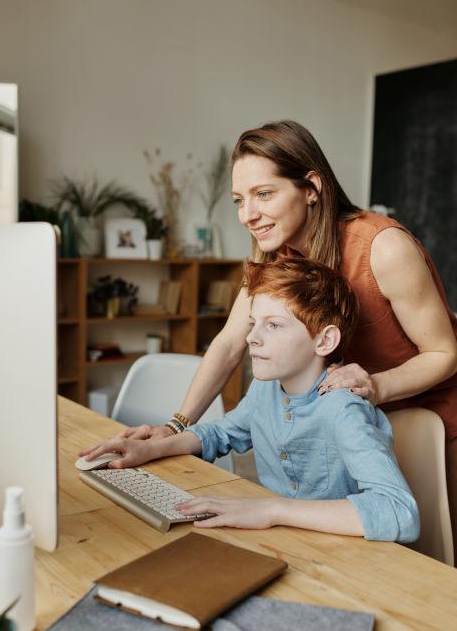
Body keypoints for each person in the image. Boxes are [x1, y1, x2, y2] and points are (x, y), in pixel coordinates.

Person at [84, 121, 457, 554]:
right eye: (240, 200)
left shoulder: (383, 247)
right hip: (350, 410)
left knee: (435, 556)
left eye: (264, 194)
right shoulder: (273, 254)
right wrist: (174, 427)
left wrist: (377, 386)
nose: (247, 215)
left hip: (429, 415)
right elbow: (228, 342)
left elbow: (445, 352)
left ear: (311, 187)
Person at [81, 257, 420, 542]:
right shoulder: (266, 389)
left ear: (324, 340)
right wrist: (154, 447)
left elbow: (399, 511)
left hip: (342, 554)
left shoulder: (342, 407)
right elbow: (223, 432)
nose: (251, 337)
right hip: (284, 539)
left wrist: (271, 509)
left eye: (273, 325)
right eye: (254, 322)